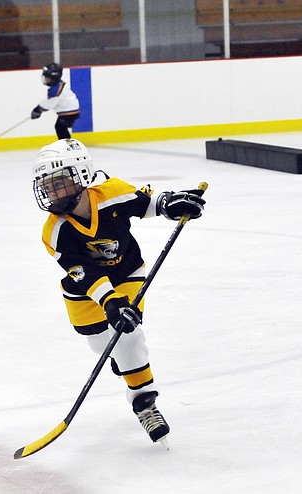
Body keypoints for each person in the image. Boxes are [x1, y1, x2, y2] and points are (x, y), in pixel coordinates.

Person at [31, 138, 206, 446]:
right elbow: (86, 274)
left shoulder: (111, 194)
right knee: (102, 343)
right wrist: (109, 302)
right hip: (85, 290)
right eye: (49, 186)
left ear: (82, 175)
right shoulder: (54, 232)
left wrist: (169, 203)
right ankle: (121, 357)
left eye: (61, 183)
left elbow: (145, 202)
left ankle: (144, 402)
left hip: (127, 271)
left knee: (128, 334)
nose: (54, 192)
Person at [30, 63, 80, 139]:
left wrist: (38, 110)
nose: (45, 79)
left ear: (54, 78)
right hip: (70, 109)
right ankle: (66, 143)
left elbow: (50, 103)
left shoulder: (56, 90)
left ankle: (67, 144)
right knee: (60, 127)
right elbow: (49, 101)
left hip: (69, 112)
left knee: (60, 127)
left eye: (47, 77)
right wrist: (38, 109)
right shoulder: (57, 86)